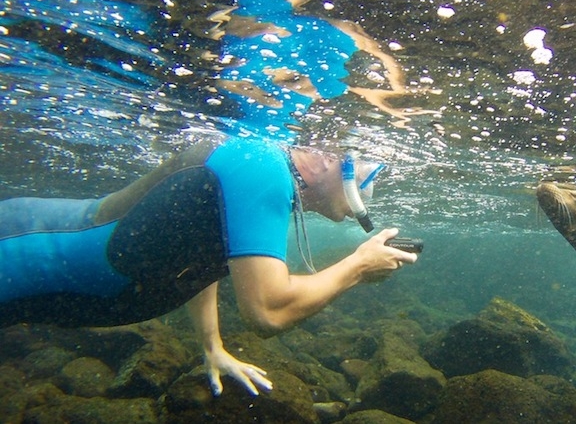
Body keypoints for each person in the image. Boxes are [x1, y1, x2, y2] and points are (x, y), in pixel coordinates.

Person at [0, 134, 418, 396]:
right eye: (371, 168)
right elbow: (268, 312)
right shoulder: (264, 168)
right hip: (20, 252)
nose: (372, 185)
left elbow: (197, 257)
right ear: (329, 157)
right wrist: (358, 267)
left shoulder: (266, 173)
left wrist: (211, 347)